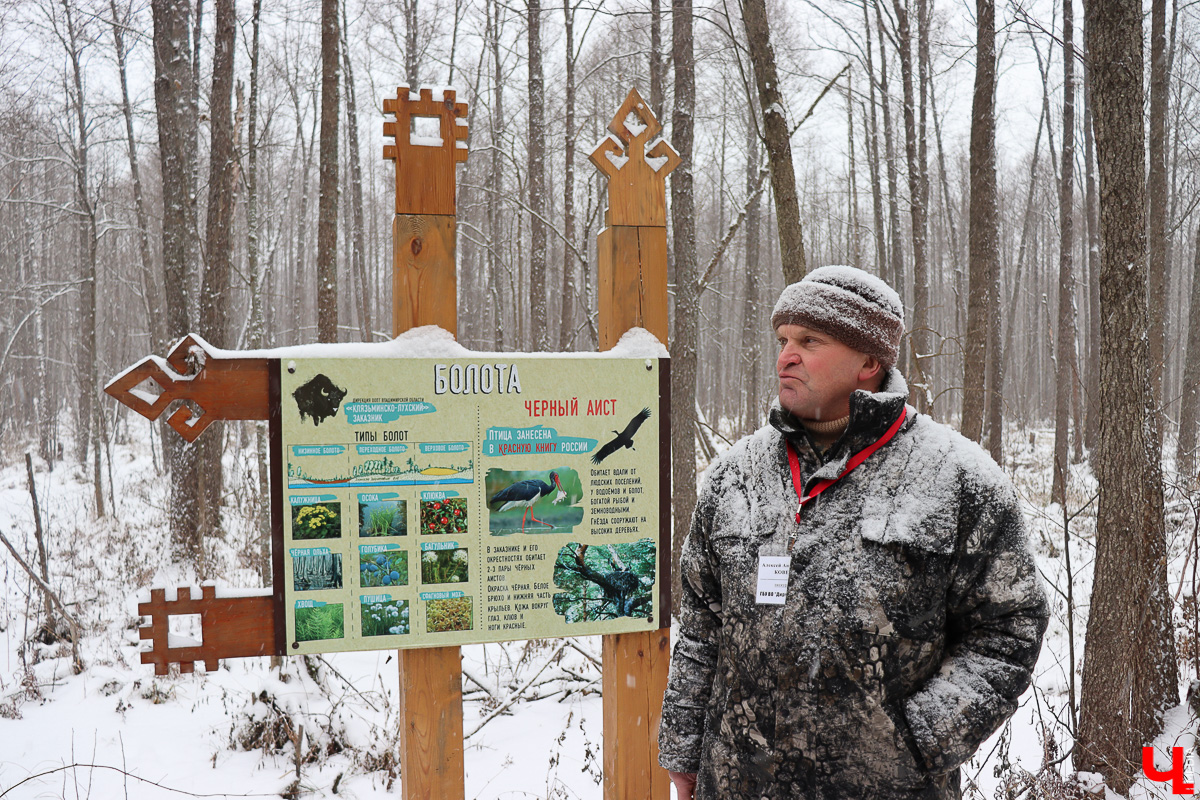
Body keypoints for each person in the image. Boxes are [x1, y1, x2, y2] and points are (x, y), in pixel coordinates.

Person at [658, 266, 1048, 799]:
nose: (785, 356)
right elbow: (702, 625)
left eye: (809, 341)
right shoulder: (737, 475)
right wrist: (684, 751)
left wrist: (917, 741)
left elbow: (1009, 629)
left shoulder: (956, 478)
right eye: (783, 340)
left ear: (869, 361)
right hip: (739, 783)